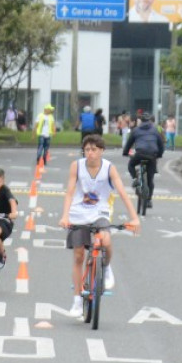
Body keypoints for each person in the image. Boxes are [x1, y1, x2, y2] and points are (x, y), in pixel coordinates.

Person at [60, 134, 140, 317]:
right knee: (79, 255)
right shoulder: (77, 166)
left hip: (100, 213)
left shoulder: (109, 169)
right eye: (87, 149)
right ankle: (77, 301)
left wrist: (134, 218)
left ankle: (105, 266)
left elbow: (122, 193)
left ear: (102, 151)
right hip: (78, 214)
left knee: (105, 240)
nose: (90, 153)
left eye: (94, 149)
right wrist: (65, 216)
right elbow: (70, 193)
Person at [123, 111, 165, 210]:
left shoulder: (136, 130)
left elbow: (129, 144)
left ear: (140, 121)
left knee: (131, 165)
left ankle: (134, 180)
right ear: (150, 120)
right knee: (150, 179)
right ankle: (149, 200)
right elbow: (161, 145)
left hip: (140, 154)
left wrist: (125, 152)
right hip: (152, 155)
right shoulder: (155, 130)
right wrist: (159, 154)